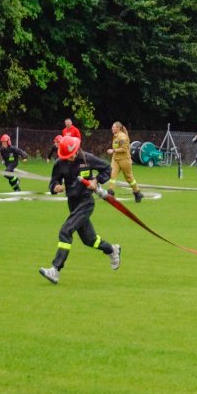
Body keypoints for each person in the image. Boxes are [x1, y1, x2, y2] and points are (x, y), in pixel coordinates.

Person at [39, 135, 121, 284]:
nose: (69, 159)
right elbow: (53, 182)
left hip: (86, 202)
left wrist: (96, 180)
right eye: (66, 157)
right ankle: (111, 249)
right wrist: (55, 187)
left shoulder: (87, 158)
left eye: (71, 155)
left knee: (65, 231)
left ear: (76, 150)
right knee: (90, 240)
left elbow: (108, 169)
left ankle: (55, 270)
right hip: (73, 203)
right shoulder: (59, 163)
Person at [107, 121, 142, 203]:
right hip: (115, 159)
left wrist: (113, 150)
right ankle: (110, 193)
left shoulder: (122, 137)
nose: (112, 128)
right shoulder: (115, 135)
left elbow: (124, 149)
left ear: (118, 128)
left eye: (113, 127)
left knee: (129, 178)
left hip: (124, 159)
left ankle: (137, 193)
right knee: (112, 175)